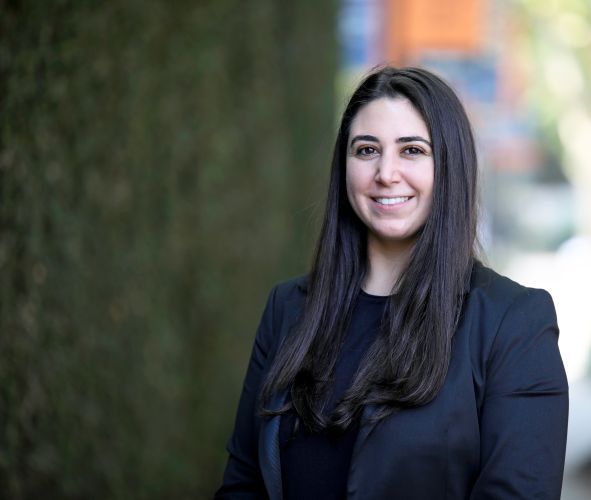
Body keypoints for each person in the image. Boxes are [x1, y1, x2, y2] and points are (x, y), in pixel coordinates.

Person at [215, 66, 568, 500]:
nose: (386, 173)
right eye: (366, 150)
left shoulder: (513, 324)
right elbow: (244, 484)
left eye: (412, 150)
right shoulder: (288, 308)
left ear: (450, 165)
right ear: (343, 167)